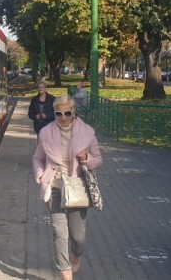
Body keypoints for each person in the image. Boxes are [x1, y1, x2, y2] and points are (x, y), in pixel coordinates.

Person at [32, 95, 103, 280]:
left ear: (74, 111)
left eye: (67, 113)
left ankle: (77, 254)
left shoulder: (87, 132)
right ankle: (65, 272)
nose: (63, 117)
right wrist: (39, 173)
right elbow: (38, 158)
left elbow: (98, 159)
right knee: (59, 231)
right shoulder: (46, 132)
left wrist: (86, 157)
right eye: (58, 113)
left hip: (76, 188)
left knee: (78, 236)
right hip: (54, 186)